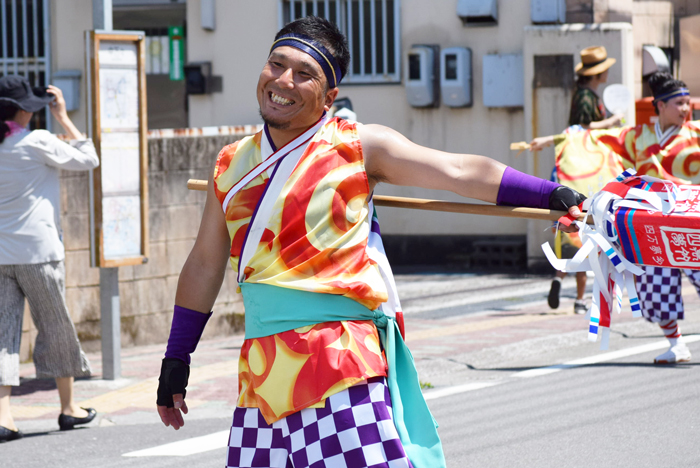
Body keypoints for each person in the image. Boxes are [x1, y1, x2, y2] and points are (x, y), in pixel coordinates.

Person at [155, 16, 584, 468]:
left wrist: (548, 192)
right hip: (261, 373)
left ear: (329, 96)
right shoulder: (229, 163)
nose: (283, 81)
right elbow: (204, 264)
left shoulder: (357, 146)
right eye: (276, 65)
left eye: (304, 73)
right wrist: (176, 358)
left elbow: (458, 172)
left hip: (339, 361)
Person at [530, 71, 699, 364]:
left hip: (693, 221)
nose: (686, 109)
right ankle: (676, 344)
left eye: (688, 103)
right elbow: (590, 137)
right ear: (660, 105)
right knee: (656, 289)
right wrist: (552, 140)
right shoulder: (636, 137)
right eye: (679, 103)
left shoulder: (696, 134)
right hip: (653, 225)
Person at [0, 75, 99, 442]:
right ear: (25, 109)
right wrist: (63, 118)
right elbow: (89, 159)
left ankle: (4, 417)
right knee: (55, 327)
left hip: (1, 256)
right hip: (39, 254)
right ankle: (69, 408)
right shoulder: (37, 141)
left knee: (3, 335)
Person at [546, 46, 625, 315]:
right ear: (598, 73)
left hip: (582, 166)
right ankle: (580, 297)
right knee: (586, 228)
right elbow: (583, 130)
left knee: (576, 231)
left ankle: (559, 278)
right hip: (586, 168)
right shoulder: (585, 97)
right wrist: (613, 121)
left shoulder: (586, 94)